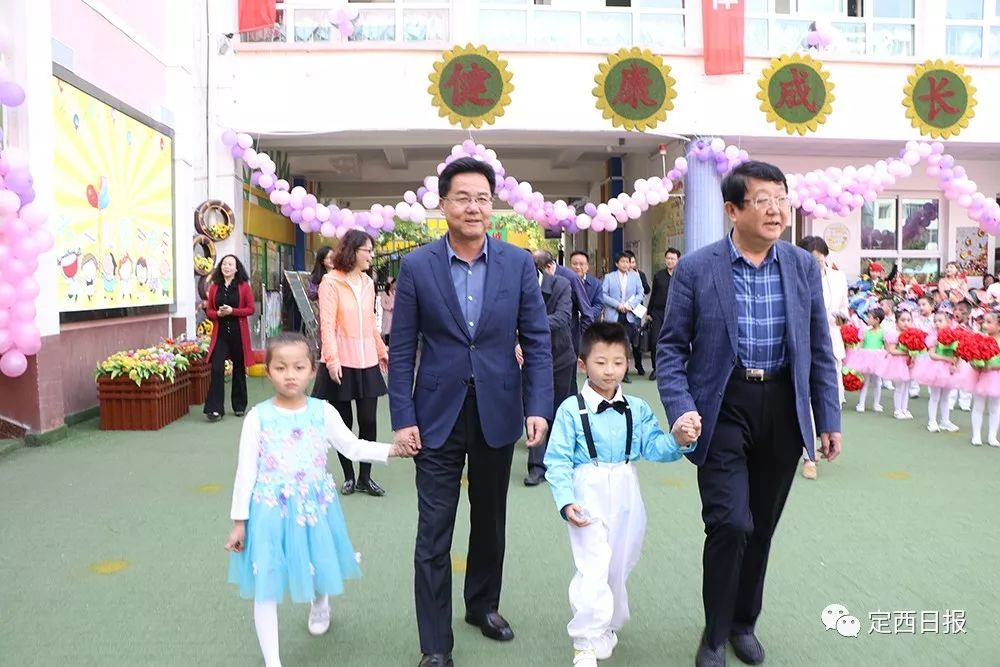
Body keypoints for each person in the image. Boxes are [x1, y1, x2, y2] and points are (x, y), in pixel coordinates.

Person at [656, 161, 841, 667]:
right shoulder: (698, 268)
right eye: (763, 200)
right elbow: (670, 349)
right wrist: (681, 408)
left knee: (760, 527)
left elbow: (819, 347)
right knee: (730, 523)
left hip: (782, 407)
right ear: (732, 210)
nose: (776, 209)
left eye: (781, 198)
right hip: (722, 406)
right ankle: (715, 634)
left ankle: (744, 623)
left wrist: (828, 418)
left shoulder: (802, 266)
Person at [387, 156, 553, 667]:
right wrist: (402, 417)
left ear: (492, 205)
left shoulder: (517, 264)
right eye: (463, 197)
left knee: (490, 519)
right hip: (435, 414)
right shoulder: (417, 266)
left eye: (482, 198)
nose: (474, 207)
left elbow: (538, 341)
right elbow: (402, 348)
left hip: (497, 409)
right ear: (443, 205)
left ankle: (482, 605)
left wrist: (538, 406)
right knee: (433, 530)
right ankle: (435, 644)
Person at [224, 333, 417, 667]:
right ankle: (273, 662)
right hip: (268, 511)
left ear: (313, 370)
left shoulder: (322, 411)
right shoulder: (257, 417)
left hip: (313, 508)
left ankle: (320, 601)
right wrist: (239, 521)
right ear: (267, 371)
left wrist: (392, 450)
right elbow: (246, 471)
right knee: (266, 582)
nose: (290, 375)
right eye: (280, 367)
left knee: (315, 559)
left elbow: (352, 446)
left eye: (299, 367)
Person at [544, 322, 699, 667]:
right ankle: (585, 641)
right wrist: (566, 500)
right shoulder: (570, 409)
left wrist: (678, 439)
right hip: (588, 490)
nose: (610, 370)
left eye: (618, 362)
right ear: (583, 364)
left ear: (627, 362)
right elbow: (557, 460)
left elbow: (655, 447)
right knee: (593, 565)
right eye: (601, 362)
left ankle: (608, 624)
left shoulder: (637, 408)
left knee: (619, 563)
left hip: (628, 489)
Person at [318, 230, 390, 498]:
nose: (371, 255)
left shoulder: (368, 282)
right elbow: (327, 324)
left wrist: (381, 350)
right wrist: (332, 359)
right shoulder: (330, 282)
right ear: (353, 251)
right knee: (343, 424)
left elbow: (371, 321)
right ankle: (348, 476)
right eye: (367, 250)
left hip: (367, 360)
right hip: (340, 360)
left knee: (369, 420)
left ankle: (365, 477)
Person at [796, 236, 849, 479]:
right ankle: (809, 456)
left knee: (831, 395)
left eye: (819, 260)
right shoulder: (795, 277)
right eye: (811, 260)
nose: (816, 264)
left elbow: (844, 307)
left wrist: (842, 317)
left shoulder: (838, 278)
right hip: (802, 346)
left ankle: (825, 437)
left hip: (831, 343)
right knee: (804, 399)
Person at [524, 249, 575, 487]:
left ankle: (559, 462)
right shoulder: (516, 286)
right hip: (530, 358)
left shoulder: (561, 285)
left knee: (559, 410)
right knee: (535, 409)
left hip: (561, 356)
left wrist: (526, 324)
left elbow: (563, 317)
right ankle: (537, 467)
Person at [204, 254, 256, 422]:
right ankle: (215, 409)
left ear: (236, 268)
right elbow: (209, 311)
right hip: (220, 334)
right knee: (217, 368)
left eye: (230, 264)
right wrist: (217, 314)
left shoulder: (244, 286)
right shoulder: (214, 287)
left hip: (238, 333)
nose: (226, 267)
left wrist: (233, 311)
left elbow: (251, 309)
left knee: (239, 369)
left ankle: (239, 405)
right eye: (224, 264)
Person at [910, 303, 963, 433]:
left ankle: (945, 421)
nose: (937, 323)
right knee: (935, 397)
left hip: (949, 370)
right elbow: (932, 355)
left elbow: (958, 353)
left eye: (940, 321)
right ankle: (932, 421)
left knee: (946, 397)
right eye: (935, 321)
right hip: (936, 368)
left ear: (948, 322)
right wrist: (947, 359)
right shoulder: (933, 337)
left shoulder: (955, 336)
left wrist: (955, 365)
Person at [600, 253, 644, 383]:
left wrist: (630, 305)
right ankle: (610, 369)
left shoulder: (635, 277)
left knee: (626, 343)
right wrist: (617, 305)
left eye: (627, 261)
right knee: (613, 343)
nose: (625, 264)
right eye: (623, 261)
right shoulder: (609, 277)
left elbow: (640, 293)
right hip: (614, 315)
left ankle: (624, 372)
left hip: (629, 316)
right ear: (617, 264)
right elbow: (603, 294)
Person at [646, 248, 680, 380]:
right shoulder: (659, 276)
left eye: (673, 259)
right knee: (655, 341)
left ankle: (672, 369)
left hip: (675, 313)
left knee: (674, 342)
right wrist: (649, 312)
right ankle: (656, 369)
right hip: (658, 313)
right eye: (668, 258)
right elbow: (653, 294)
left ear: (678, 260)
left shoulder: (682, 275)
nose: (670, 261)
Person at [570, 250, 604, 322]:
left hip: (590, 323)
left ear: (587, 266)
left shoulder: (596, 283)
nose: (578, 267)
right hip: (570, 323)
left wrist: (586, 315)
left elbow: (598, 304)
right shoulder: (564, 282)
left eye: (581, 264)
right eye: (574, 264)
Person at [380, 277, 396, 345]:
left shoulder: (395, 293)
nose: (395, 284)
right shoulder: (384, 293)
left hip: (394, 314)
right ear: (391, 284)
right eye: (394, 283)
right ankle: (387, 344)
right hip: (387, 314)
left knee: (393, 329)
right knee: (387, 330)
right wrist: (390, 308)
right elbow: (382, 304)